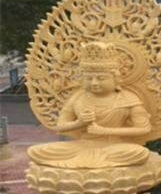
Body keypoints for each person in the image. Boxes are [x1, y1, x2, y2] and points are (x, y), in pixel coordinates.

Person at [28, 41, 151, 169]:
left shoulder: (128, 98)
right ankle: (95, 163)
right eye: (88, 78)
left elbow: (144, 129)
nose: (94, 83)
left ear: (116, 79)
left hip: (114, 146)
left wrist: (106, 131)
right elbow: (60, 126)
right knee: (35, 151)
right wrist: (79, 123)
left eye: (101, 78)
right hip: (82, 145)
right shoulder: (77, 97)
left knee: (140, 153)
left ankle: (86, 163)